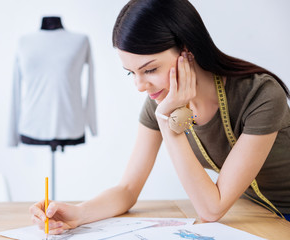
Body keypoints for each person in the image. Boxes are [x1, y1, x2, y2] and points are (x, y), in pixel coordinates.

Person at [29, 0, 290, 234]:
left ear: (187, 50)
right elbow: (128, 190)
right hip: (254, 213)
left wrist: (168, 123)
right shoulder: (161, 99)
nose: (140, 85)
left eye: (150, 69)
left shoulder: (261, 94)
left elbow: (212, 209)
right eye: (131, 73)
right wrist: (79, 213)